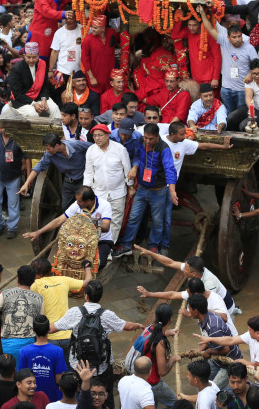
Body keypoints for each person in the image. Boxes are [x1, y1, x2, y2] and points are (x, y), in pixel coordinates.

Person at [50, 281, 142, 405]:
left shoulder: (74, 312)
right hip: (102, 367)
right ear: (100, 296)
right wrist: (138, 325)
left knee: (82, 397)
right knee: (105, 397)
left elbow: (52, 328)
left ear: (86, 296)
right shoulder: (107, 315)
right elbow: (127, 326)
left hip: (80, 366)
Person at [112, 123, 178, 258]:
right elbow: (137, 157)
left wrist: (172, 191)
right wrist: (135, 167)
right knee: (133, 218)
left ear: (157, 137)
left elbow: (170, 170)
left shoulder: (164, 149)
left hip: (158, 191)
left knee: (157, 221)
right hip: (142, 188)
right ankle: (126, 245)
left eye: (151, 139)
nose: (147, 141)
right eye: (146, 138)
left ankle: (153, 246)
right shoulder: (142, 143)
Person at [24, 186, 113, 269]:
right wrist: (38, 232)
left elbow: (106, 227)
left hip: (101, 241)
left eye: (80, 201)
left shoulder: (105, 205)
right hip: (78, 241)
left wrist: (90, 223)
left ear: (88, 201)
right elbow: (59, 220)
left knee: (99, 263)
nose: (77, 203)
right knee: (60, 259)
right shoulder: (77, 205)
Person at [0, 265, 44, 363]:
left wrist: (2, 317)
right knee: (25, 369)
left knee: (6, 368)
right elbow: (40, 321)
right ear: (33, 281)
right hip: (29, 342)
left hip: (8, 343)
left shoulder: (5, 293)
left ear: (17, 279)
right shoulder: (39, 298)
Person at [19, 134, 91, 212]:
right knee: (65, 207)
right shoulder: (49, 155)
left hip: (82, 180)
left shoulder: (77, 145)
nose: (47, 151)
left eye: (48, 148)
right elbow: (38, 168)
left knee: (84, 207)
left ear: (56, 146)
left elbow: (94, 148)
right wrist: (26, 183)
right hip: (69, 181)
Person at [17, 315, 68, 402]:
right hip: (52, 399)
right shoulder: (58, 351)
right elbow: (58, 380)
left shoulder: (24, 351)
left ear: (33, 330)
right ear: (49, 329)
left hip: (30, 399)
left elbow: (21, 377)